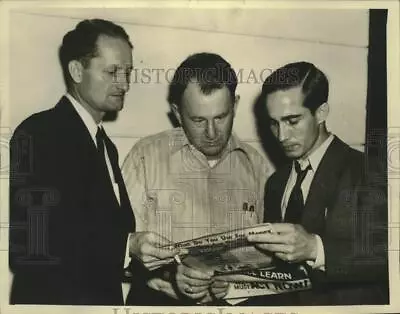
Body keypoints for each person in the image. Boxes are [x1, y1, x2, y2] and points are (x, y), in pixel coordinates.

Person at [121, 52, 274, 305]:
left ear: (235, 105)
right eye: (198, 120)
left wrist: (240, 281)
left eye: (221, 117)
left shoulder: (256, 166)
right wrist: (168, 276)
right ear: (178, 113)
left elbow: (273, 260)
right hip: (160, 304)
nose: (212, 133)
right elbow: (118, 250)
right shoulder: (144, 157)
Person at [9, 19, 137, 305]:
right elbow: (35, 246)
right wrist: (129, 246)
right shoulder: (39, 132)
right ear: (77, 71)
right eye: (113, 71)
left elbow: (107, 233)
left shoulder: (106, 146)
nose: (125, 83)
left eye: (128, 72)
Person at [246, 61, 388, 305]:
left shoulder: (368, 171)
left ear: (321, 112)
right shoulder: (277, 182)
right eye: (273, 122)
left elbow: (388, 256)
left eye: (292, 121)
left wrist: (316, 249)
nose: (281, 136)